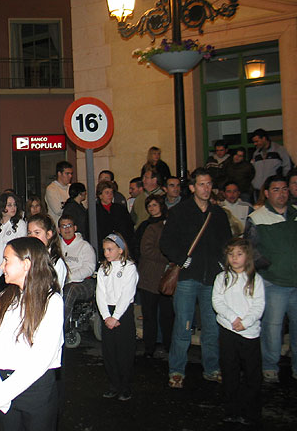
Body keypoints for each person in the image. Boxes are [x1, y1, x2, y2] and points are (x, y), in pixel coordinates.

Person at [160, 167, 232, 389]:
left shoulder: (218, 214)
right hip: (187, 278)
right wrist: (182, 260)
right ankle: (177, 370)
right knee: (183, 326)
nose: (206, 188)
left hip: (212, 279)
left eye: (209, 184)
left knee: (211, 326)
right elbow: (166, 242)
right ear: (192, 188)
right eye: (201, 184)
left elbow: (227, 243)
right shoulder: (180, 212)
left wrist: (222, 263)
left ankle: (211, 368)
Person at [0, 237, 63, 430]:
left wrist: (3, 394)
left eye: (6, 260)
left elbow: (41, 358)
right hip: (0, 389)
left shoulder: (52, 302)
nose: (2, 266)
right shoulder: (3, 298)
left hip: (34, 391)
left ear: (26, 264)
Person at [245, 174, 297, 384]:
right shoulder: (257, 217)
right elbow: (251, 250)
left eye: (284, 189)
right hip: (274, 282)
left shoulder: (295, 215)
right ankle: (269, 366)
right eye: (276, 189)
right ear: (266, 193)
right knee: (272, 328)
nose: (281, 193)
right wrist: (271, 267)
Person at [212, 237, 264, 426]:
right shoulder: (222, 277)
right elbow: (218, 301)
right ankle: (231, 409)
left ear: (247, 256)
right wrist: (233, 319)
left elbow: (259, 305)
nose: (234, 258)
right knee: (230, 370)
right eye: (231, 254)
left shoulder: (255, 279)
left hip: (249, 333)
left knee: (252, 374)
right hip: (229, 330)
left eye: (239, 254)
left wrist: (247, 321)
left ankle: (251, 411)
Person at [96, 233, 138, 401]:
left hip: (123, 312)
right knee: (110, 352)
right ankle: (113, 384)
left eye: (110, 249)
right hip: (108, 313)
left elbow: (127, 294)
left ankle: (125, 385)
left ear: (120, 250)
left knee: (124, 351)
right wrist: (106, 315)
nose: (106, 253)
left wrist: (116, 316)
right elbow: (100, 293)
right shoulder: (103, 269)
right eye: (105, 249)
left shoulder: (129, 268)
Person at [136, 195, 173, 357]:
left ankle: (169, 345)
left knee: (167, 315)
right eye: (149, 205)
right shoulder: (148, 227)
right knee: (149, 315)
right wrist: (168, 257)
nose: (152, 208)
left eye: (154, 205)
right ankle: (149, 347)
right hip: (150, 277)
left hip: (166, 277)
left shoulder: (171, 226)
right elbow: (145, 250)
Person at [0, 192, 27, 309]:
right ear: (2, 207)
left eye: (15, 205)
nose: (14, 208)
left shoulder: (19, 225)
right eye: (10, 205)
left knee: (11, 306)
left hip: (10, 271)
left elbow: (16, 252)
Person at [58, 215, 96, 327]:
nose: (67, 229)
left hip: (82, 282)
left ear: (75, 228)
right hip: (60, 281)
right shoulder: (56, 247)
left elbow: (89, 268)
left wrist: (69, 278)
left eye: (69, 226)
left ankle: (61, 328)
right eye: (63, 226)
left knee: (69, 290)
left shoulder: (85, 246)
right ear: (59, 230)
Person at [27, 214, 68, 291]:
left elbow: (54, 290)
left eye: (37, 233)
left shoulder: (56, 262)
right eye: (29, 233)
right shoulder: (28, 258)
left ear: (48, 234)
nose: (32, 237)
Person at [95, 181, 136, 259]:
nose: (110, 195)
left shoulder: (120, 208)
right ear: (100, 195)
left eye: (111, 193)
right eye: (107, 193)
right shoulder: (94, 211)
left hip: (121, 246)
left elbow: (128, 227)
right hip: (103, 248)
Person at [251, 129, 293, 198]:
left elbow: (287, 167)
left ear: (264, 138)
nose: (255, 144)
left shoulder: (279, 150)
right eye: (254, 142)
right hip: (258, 190)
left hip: (274, 190)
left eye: (257, 141)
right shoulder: (256, 153)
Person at [45, 161, 73, 225]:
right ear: (59, 174)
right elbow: (58, 210)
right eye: (67, 173)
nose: (70, 176)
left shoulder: (71, 187)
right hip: (57, 226)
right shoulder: (51, 189)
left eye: (71, 173)